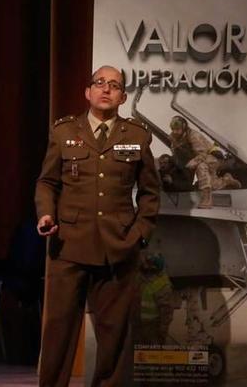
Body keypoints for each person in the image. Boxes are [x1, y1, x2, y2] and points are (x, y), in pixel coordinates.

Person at [35, 65, 161, 386]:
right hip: (69, 246)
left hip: (118, 247)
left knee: (115, 335)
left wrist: (139, 235)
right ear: (87, 92)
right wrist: (46, 214)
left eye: (114, 85)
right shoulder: (64, 131)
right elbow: (47, 182)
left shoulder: (136, 135)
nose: (106, 89)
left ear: (123, 97)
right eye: (99, 83)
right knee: (58, 332)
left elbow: (150, 193)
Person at [168, 116, 241, 209]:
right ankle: (226, 180)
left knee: (201, 166)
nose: (175, 132)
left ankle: (207, 199)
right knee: (211, 183)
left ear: (184, 127)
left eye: (177, 129)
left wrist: (193, 162)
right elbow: (176, 152)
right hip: (200, 157)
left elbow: (202, 154)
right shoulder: (174, 138)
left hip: (213, 156)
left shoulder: (194, 136)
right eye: (173, 129)